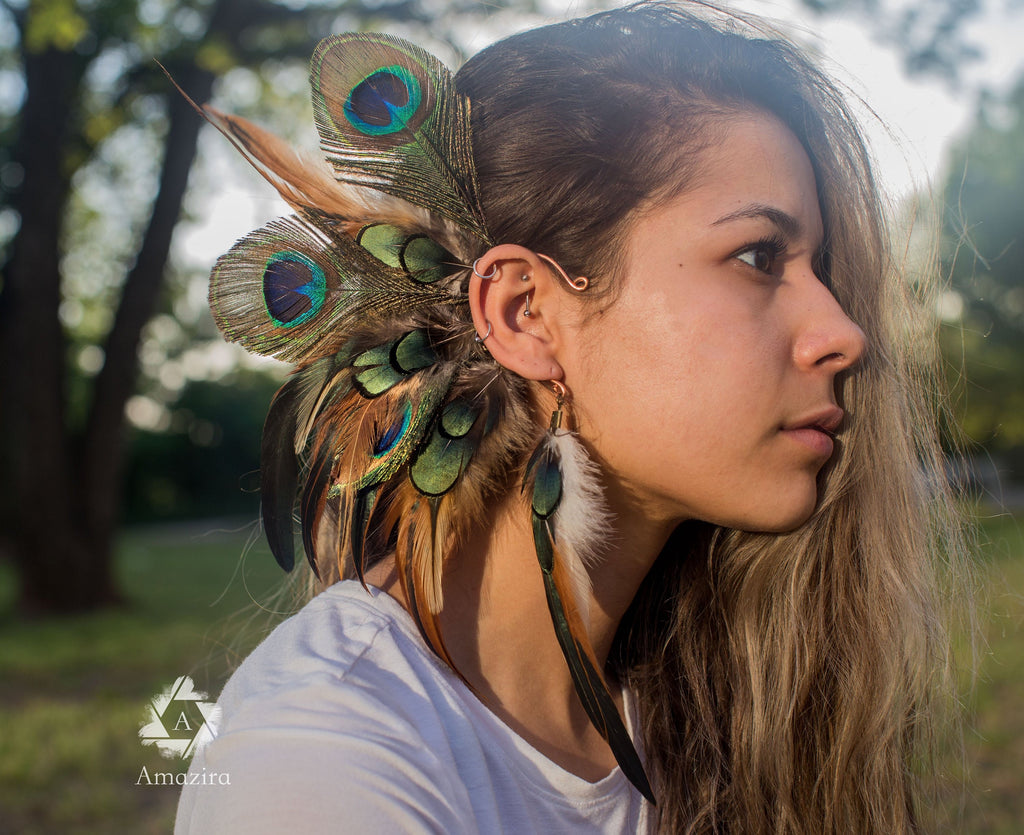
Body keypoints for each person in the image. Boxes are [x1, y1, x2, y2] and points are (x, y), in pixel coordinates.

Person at [175, 2, 966, 832]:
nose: (845, 334)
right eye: (759, 257)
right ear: (525, 313)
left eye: (825, 272)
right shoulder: (325, 763)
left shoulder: (709, 699)